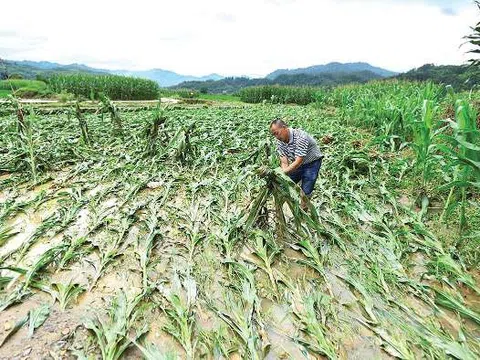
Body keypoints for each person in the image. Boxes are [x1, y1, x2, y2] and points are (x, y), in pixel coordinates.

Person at [269, 118, 323, 209]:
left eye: (277, 133)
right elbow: (284, 161)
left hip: (312, 163)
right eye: (274, 134)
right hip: (296, 163)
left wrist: (282, 173)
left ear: (284, 127)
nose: (276, 137)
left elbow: (298, 161)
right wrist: (284, 175)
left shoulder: (300, 137)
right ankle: (280, 209)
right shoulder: (279, 141)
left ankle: (302, 213)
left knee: (306, 191)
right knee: (285, 184)